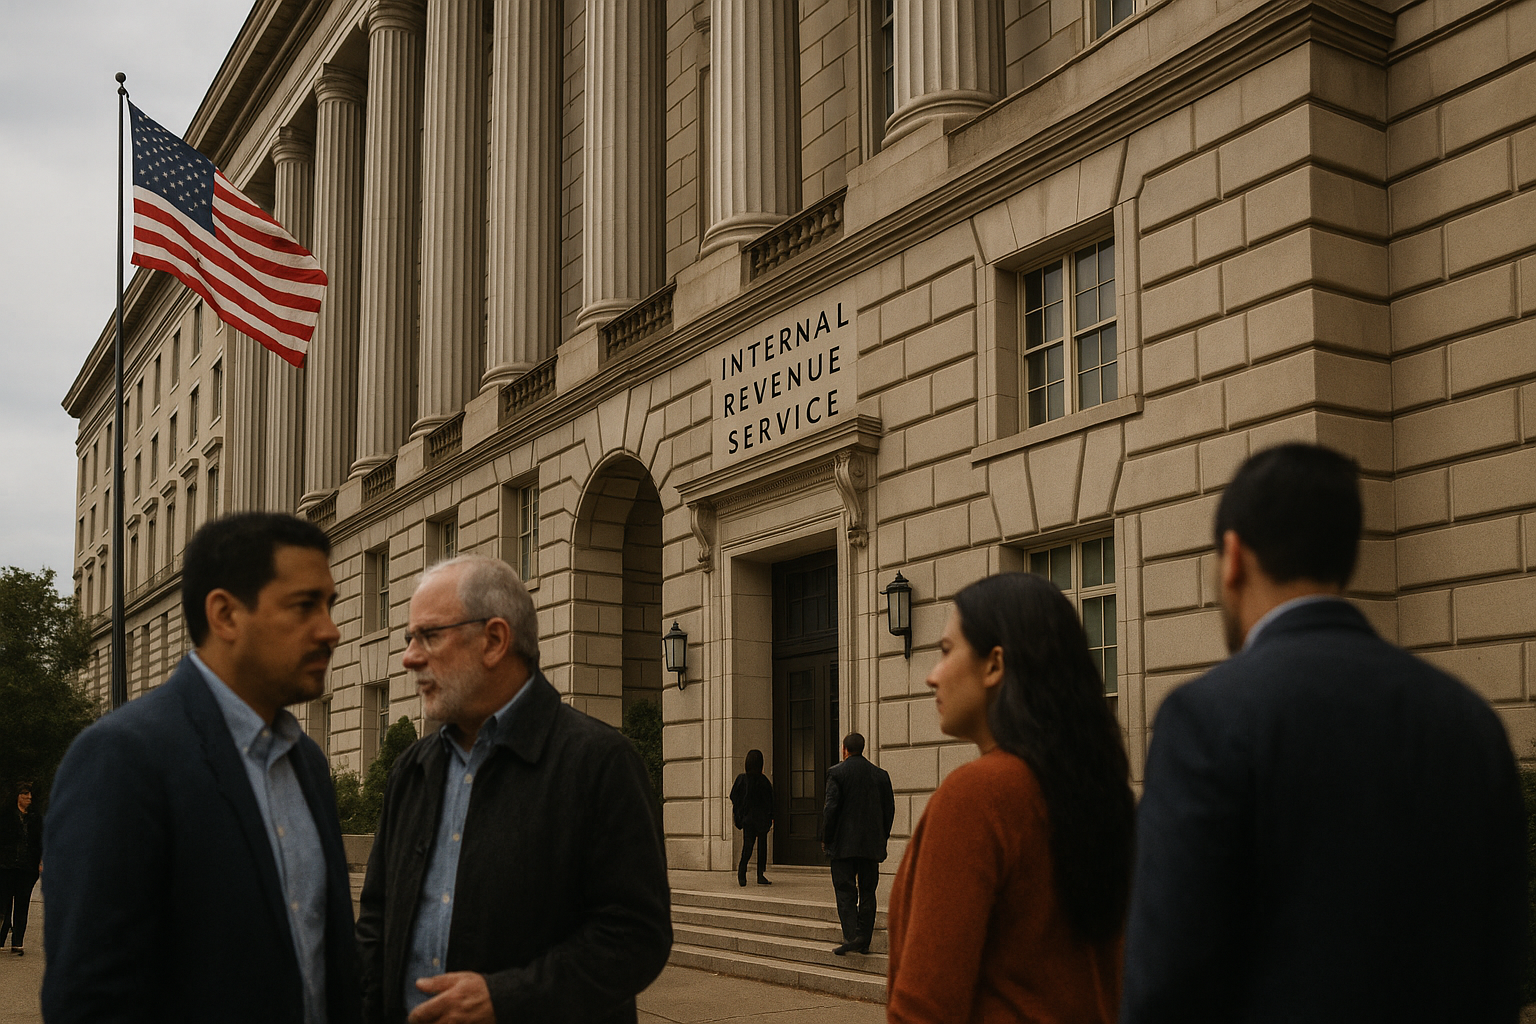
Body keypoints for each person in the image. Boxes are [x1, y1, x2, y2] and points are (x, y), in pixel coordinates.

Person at [1120, 443, 1527, 1024]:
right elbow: (1499, 969)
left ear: (1233, 556)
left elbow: (1165, 986)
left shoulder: (1206, 718)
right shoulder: (1468, 722)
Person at [42, 513, 361, 1024]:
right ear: (226, 615)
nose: (330, 630)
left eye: (329, 605)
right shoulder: (121, 758)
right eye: (305, 606)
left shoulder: (307, 762)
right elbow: (91, 999)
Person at [357, 555, 671, 1024]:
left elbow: (636, 936)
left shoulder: (599, 763)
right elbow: (377, 923)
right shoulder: (412, 770)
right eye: (409, 639)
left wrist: (506, 998)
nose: (410, 657)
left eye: (430, 635)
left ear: (495, 640)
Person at [886, 573, 1133, 1023]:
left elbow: (925, 1008)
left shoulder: (977, 796)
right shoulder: (1101, 797)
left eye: (945, 651)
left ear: (994, 664)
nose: (931, 676)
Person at [821, 731, 895, 956]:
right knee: (868, 891)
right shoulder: (880, 775)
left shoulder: (837, 773)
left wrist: (826, 837)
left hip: (843, 846)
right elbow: (889, 811)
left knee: (845, 890)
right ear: (863, 749)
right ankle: (864, 939)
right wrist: (882, 836)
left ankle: (852, 935)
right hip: (870, 845)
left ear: (845, 749)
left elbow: (830, 809)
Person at [0, 782, 42, 955]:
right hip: (6, 866)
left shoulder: (35, 818)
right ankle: (1, 938)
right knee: (4, 903)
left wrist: (39, 861)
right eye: (25, 795)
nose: (28, 798)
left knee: (23, 903)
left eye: (30, 795)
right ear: (17, 796)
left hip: (27, 867)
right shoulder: (5, 816)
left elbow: (40, 841)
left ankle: (18, 942)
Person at [729, 749, 774, 887]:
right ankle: (760, 874)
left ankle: (742, 872)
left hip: (748, 819)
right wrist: (771, 817)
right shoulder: (764, 781)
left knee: (747, 846)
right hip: (761, 819)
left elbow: (733, 796)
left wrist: (740, 811)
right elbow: (770, 801)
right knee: (762, 847)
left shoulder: (742, 779)